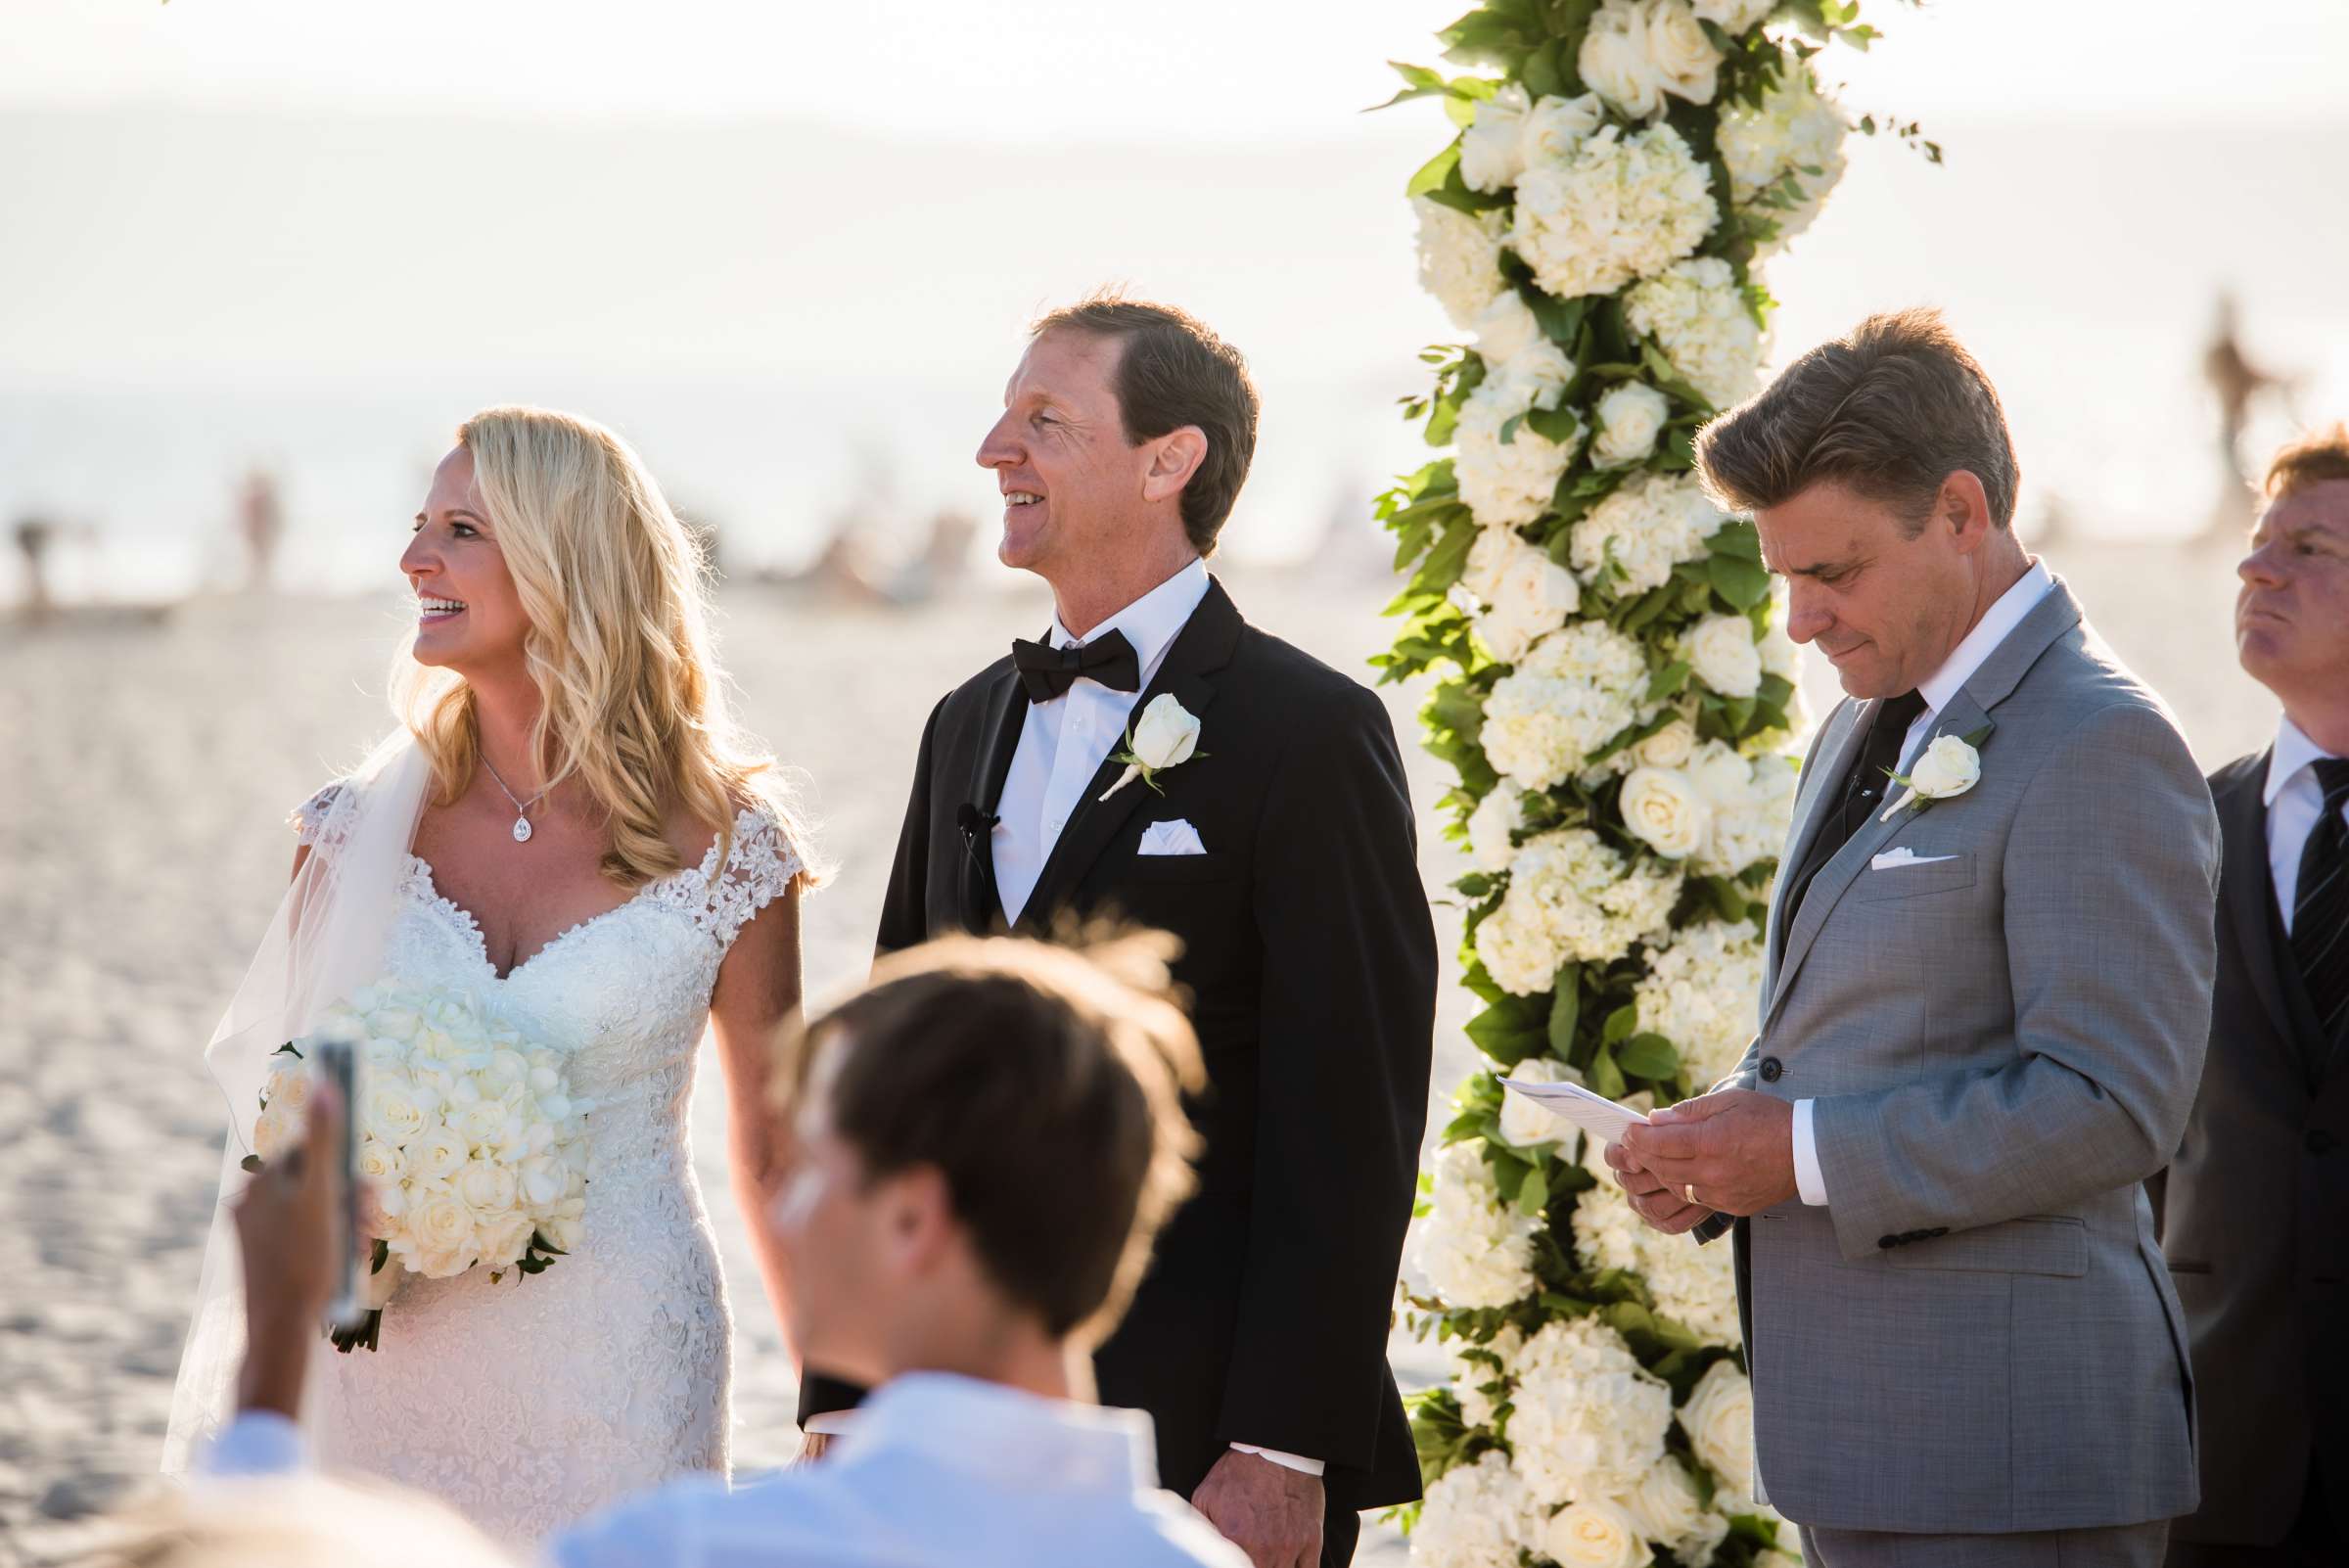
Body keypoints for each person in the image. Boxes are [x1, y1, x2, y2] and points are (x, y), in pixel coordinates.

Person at [795, 293, 1437, 1568]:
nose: (994, 450)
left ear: (1168, 459)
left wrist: (1283, 1444)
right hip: (941, 1424)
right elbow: (884, 1083)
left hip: (1203, 1428)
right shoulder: (964, 723)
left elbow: (1352, 1111)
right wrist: (838, 1388)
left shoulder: (1310, 734)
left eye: (1044, 419)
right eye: (1002, 415)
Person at [1607, 308, 2218, 1567]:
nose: (1800, 623)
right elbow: (1884, 1020)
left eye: (1831, 574)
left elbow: (2113, 1104)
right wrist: (1724, 1141)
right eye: (1784, 580)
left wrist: (1805, 1153)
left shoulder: (2100, 741)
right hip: (1867, 1444)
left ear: (1959, 513)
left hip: (2013, 1459)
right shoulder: (1863, 717)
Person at [164, 406, 819, 1542]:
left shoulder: (730, 845)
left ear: (566, 560)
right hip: (389, 1362)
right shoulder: (350, 836)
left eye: (461, 529)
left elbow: (775, 1149)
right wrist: (347, 1256)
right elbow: (288, 1126)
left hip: (620, 1356)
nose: (414, 557)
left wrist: (833, 1395)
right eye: (420, 525)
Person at [196, 933, 1249, 1568]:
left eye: (814, 1171)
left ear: (913, 1221)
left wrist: (276, 1351)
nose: (780, 1217)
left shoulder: (710, 1551)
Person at [2153, 425, 2349, 1566]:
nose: (2257, 570)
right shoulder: (2180, 831)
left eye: (2310, 547)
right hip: (2220, 1464)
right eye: (2257, 544)